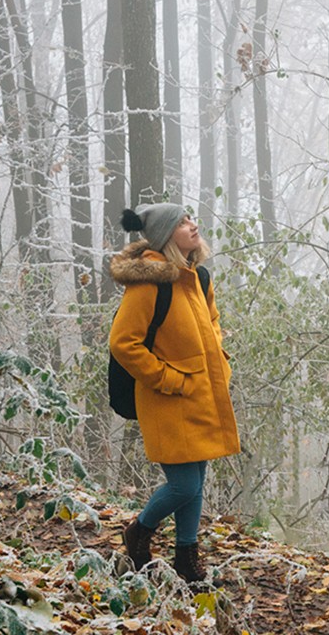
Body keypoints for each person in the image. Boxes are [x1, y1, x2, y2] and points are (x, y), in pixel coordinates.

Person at [108, 202, 240, 584]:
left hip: (200, 395)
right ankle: (138, 533)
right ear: (167, 236)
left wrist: (219, 361)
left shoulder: (197, 278)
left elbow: (212, 321)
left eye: (191, 218)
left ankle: (186, 559)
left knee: (195, 479)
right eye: (182, 223)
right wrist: (170, 379)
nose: (193, 225)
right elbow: (124, 343)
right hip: (167, 397)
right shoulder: (149, 283)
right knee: (184, 484)